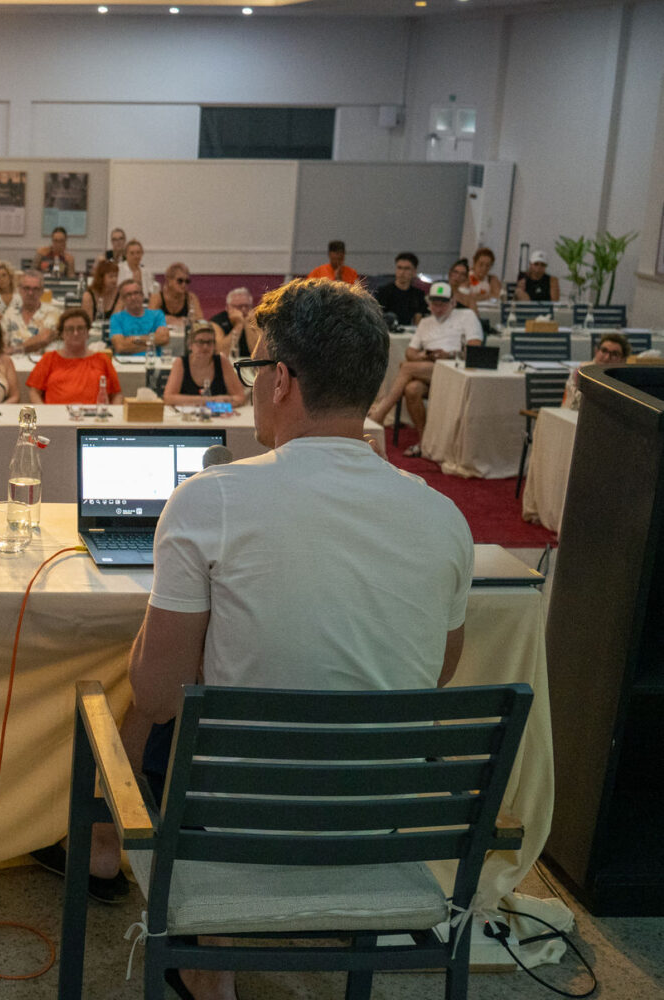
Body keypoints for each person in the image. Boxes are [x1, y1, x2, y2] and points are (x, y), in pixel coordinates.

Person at [112, 278, 471, 1000]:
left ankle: (208, 957)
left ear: (280, 380)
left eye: (252, 370)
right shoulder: (443, 518)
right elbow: (437, 672)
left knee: (139, 722)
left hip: (238, 827)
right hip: (376, 825)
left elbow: (156, 693)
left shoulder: (209, 499)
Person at [366, 281, 483, 456]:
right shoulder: (426, 322)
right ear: (429, 303)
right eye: (435, 304)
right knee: (412, 389)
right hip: (430, 368)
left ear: (453, 302)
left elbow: (475, 348)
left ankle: (380, 414)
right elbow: (410, 352)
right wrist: (425, 356)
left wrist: (449, 355)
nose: (438, 308)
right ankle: (425, 442)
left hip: (455, 368)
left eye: (443, 304)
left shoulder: (467, 316)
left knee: (406, 368)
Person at [26, 308, 119, 405]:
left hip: (93, 413)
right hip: (56, 413)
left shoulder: (102, 359)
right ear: (62, 334)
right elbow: (34, 392)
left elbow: (117, 395)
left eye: (80, 328)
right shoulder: (48, 358)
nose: (75, 333)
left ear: (88, 332)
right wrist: (45, 411)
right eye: (70, 329)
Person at [162, 321, 246, 407]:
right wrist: (209, 401)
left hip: (218, 413)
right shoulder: (180, 362)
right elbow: (168, 398)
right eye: (200, 342)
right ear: (190, 345)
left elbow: (240, 397)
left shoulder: (222, 361)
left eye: (209, 342)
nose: (205, 347)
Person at [2, 270, 61, 353]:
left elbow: (44, 339)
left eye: (36, 289)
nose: (30, 293)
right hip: (13, 360)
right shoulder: (10, 314)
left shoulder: (54, 313)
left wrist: (14, 350)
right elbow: (2, 344)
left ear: (42, 292)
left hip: (42, 360)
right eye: (26, 288)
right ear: (19, 290)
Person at [566, 333, 630, 409]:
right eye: (604, 351)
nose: (607, 358)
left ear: (623, 360)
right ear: (596, 351)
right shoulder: (581, 373)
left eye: (614, 354)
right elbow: (578, 404)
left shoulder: (625, 381)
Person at [108, 281, 170, 355]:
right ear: (123, 299)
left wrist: (133, 340)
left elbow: (164, 339)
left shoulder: (157, 315)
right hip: (125, 361)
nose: (133, 297)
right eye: (128, 295)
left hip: (152, 360)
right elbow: (120, 347)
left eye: (136, 293)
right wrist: (153, 342)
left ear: (142, 295)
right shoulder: (116, 318)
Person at [374, 252, 429, 327]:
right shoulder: (383, 292)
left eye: (407, 269)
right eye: (399, 268)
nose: (402, 272)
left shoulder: (418, 295)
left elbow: (419, 320)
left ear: (414, 271)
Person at [150, 263, 203, 330]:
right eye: (180, 281)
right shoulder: (157, 297)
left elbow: (200, 321)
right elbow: (150, 321)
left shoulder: (191, 298)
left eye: (187, 281)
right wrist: (181, 320)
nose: (184, 285)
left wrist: (169, 319)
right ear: (169, 281)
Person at [208, 286, 256, 357]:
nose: (243, 310)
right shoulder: (217, 321)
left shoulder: (257, 319)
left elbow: (258, 352)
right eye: (239, 307)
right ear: (228, 307)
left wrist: (247, 323)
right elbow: (221, 352)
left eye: (247, 306)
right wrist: (239, 325)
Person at [82, 259, 120, 324]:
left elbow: (116, 321)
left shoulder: (119, 294)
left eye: (116, 276)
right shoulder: (88, 296)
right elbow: (87, 323)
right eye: (111, 276)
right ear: (101, 278)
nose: (115, 280)